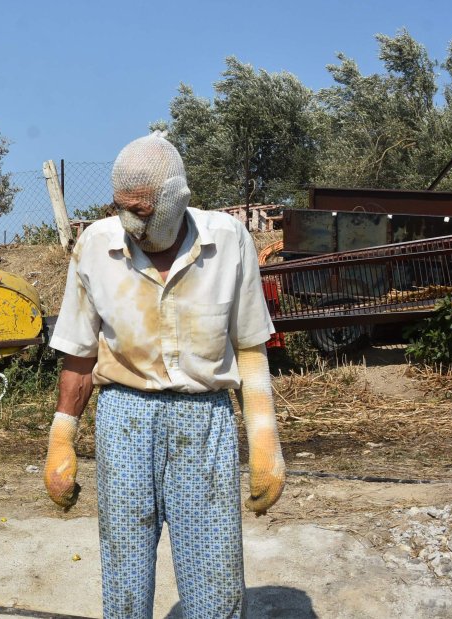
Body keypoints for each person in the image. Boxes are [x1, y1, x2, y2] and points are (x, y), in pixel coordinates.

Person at [43, 132, 285, 618]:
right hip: (123, 420)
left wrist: (264, 440)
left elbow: (250, 347)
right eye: (121, 208)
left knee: (215, 577)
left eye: (144, 209)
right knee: (125, 574)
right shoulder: (94, 246)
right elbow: (79, 355)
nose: (131, 222)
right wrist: (61, 436)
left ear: (178, 199)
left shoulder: (229, 241)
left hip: (204, 420)